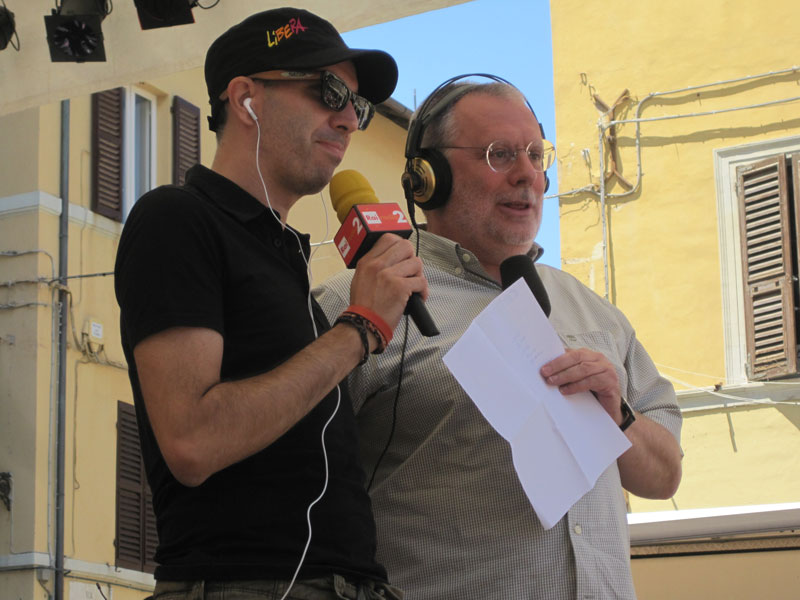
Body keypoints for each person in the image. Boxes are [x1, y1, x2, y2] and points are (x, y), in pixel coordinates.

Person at [315, 79, 683, 599]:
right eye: (500, 154)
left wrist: (618, 416)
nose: (528, 174)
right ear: (427, 178)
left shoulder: (593, 310)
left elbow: (664, 478)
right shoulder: (350, 304)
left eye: (536, 155)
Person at [114, 8, 427, 600]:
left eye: (358, 106)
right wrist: (359, 328)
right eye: (329, 91)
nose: (348, 119)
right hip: (247, 582)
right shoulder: (176, 220)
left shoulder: (283, 255)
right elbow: (192, 442)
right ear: (246, 99)